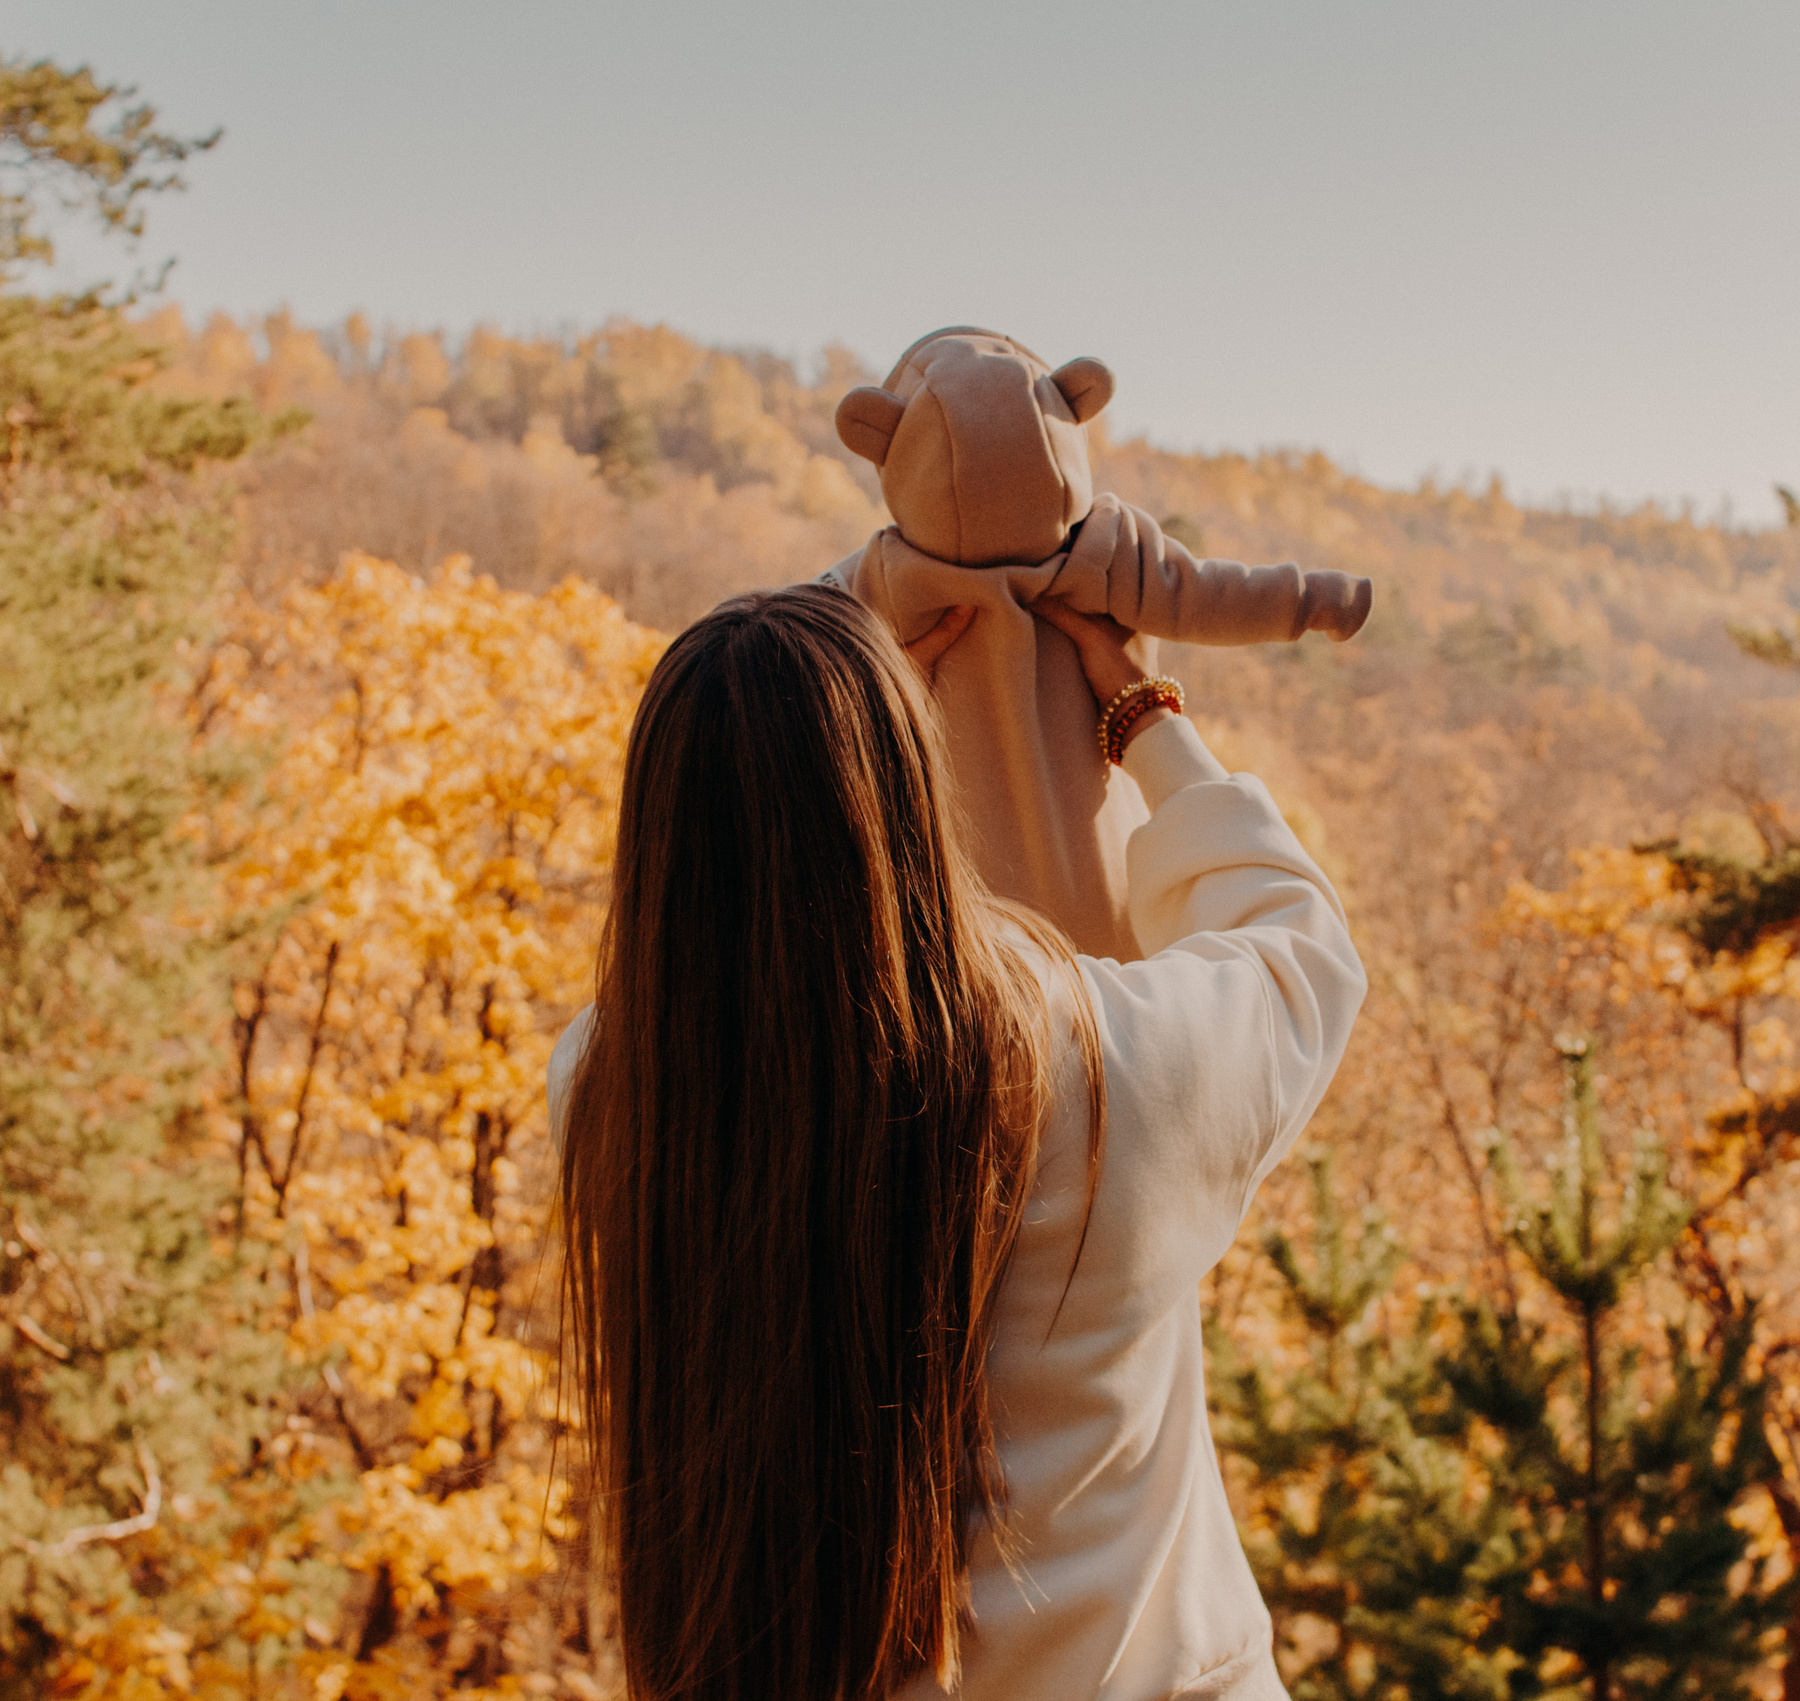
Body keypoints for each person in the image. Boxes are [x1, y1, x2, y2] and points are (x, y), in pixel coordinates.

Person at [551, 581, 1363, 1701]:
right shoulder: (1102, 1077)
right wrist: (1139, 715)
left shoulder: (607, 1095)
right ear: (909, 790)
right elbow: (1296, 943)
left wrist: (856, 659)